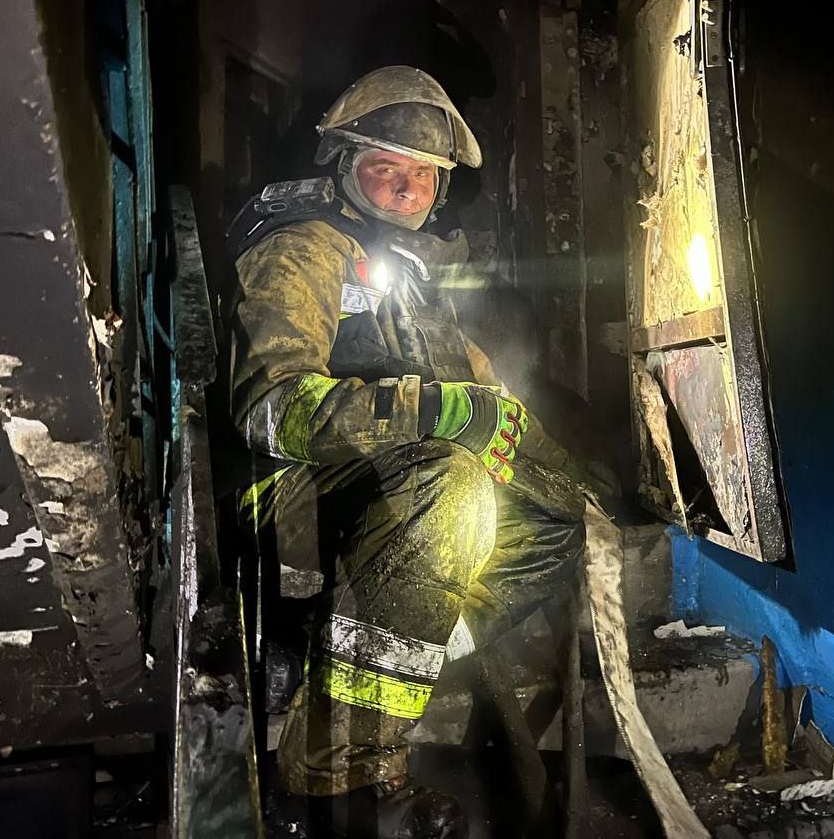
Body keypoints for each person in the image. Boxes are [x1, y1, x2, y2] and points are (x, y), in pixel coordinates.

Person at [227, 65, 591, 839]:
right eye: (383, 168)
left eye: (421, 175)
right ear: (343, 167)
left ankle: (379, 653)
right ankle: (338, 773)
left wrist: (558, 467)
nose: (404, 188)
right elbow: (271, 409)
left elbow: (485, 397)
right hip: (294, 487)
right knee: (452, 486)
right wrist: (437, 411)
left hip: (388, 480)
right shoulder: (303, 250)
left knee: (553, 513)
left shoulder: (412, 276)